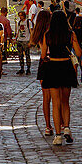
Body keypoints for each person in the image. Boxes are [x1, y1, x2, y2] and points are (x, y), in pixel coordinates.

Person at [39, 10, 82, 146]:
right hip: (66, 66)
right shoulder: (70, 34)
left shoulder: (48, 35)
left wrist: (47, 57)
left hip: (53, 67)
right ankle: (67, 128)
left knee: (55, 103)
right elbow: (79, 52)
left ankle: (58, 135)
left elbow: (43, 55)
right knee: (65, 101)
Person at [30, 8, 53, 136]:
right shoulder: (50, 33)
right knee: (56, 96)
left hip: (43, 64)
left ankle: (48, 125)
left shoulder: (38, 33)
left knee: (46, 98)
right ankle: (60, 123)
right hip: (52, 60)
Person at [15, 10, 31, 75]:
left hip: (26, 40)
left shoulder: (28, 22)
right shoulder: (19, 22)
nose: (20, 17)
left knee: (27, 54)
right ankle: (22, 68)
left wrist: (31, 40)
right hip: (20, 40)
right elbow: (18, 31)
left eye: (21, 15)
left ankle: (28, 68)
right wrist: (16, 39)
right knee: (20, 55)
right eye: (19, 16)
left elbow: (31, 30)